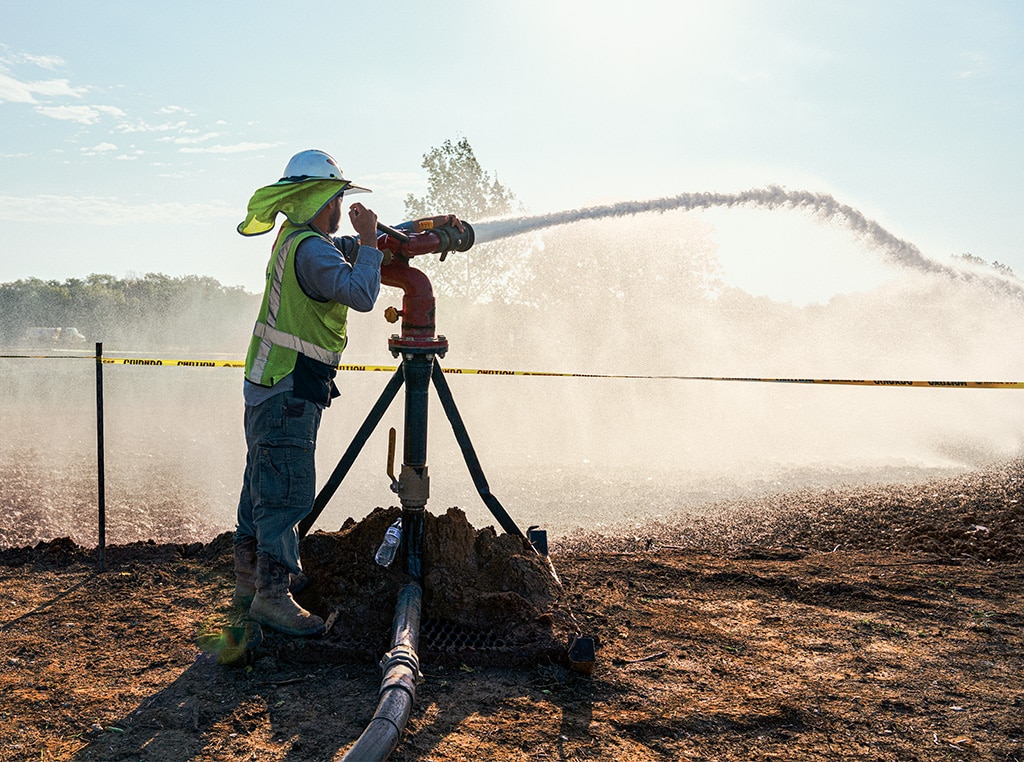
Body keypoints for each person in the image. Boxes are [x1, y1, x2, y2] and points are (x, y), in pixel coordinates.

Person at [232, 149, 382, 636]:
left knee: (261, 481)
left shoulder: (294, 238)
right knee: (286, 492)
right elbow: (360, 296)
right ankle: (272, 599)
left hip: (268, 382)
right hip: (289, 388)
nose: (340, 204)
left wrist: (369, 241)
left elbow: (334, 254)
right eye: (337, 196)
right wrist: (370, 244)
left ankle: (247, 583)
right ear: (323, 197)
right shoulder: (315, 250)